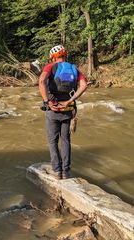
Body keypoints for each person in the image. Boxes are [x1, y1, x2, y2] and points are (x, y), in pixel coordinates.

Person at [38, 45, 88, 180]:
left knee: (52, 141)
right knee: (66, 141)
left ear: (53, 57)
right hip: (68, 109)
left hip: (53, 109)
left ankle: (57, 171)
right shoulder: (74, 68)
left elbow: (42, 81)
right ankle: (66, 172)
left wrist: (47, 101)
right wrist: (71, 99)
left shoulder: (50, 67)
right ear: (65, 55)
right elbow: (84, 85)